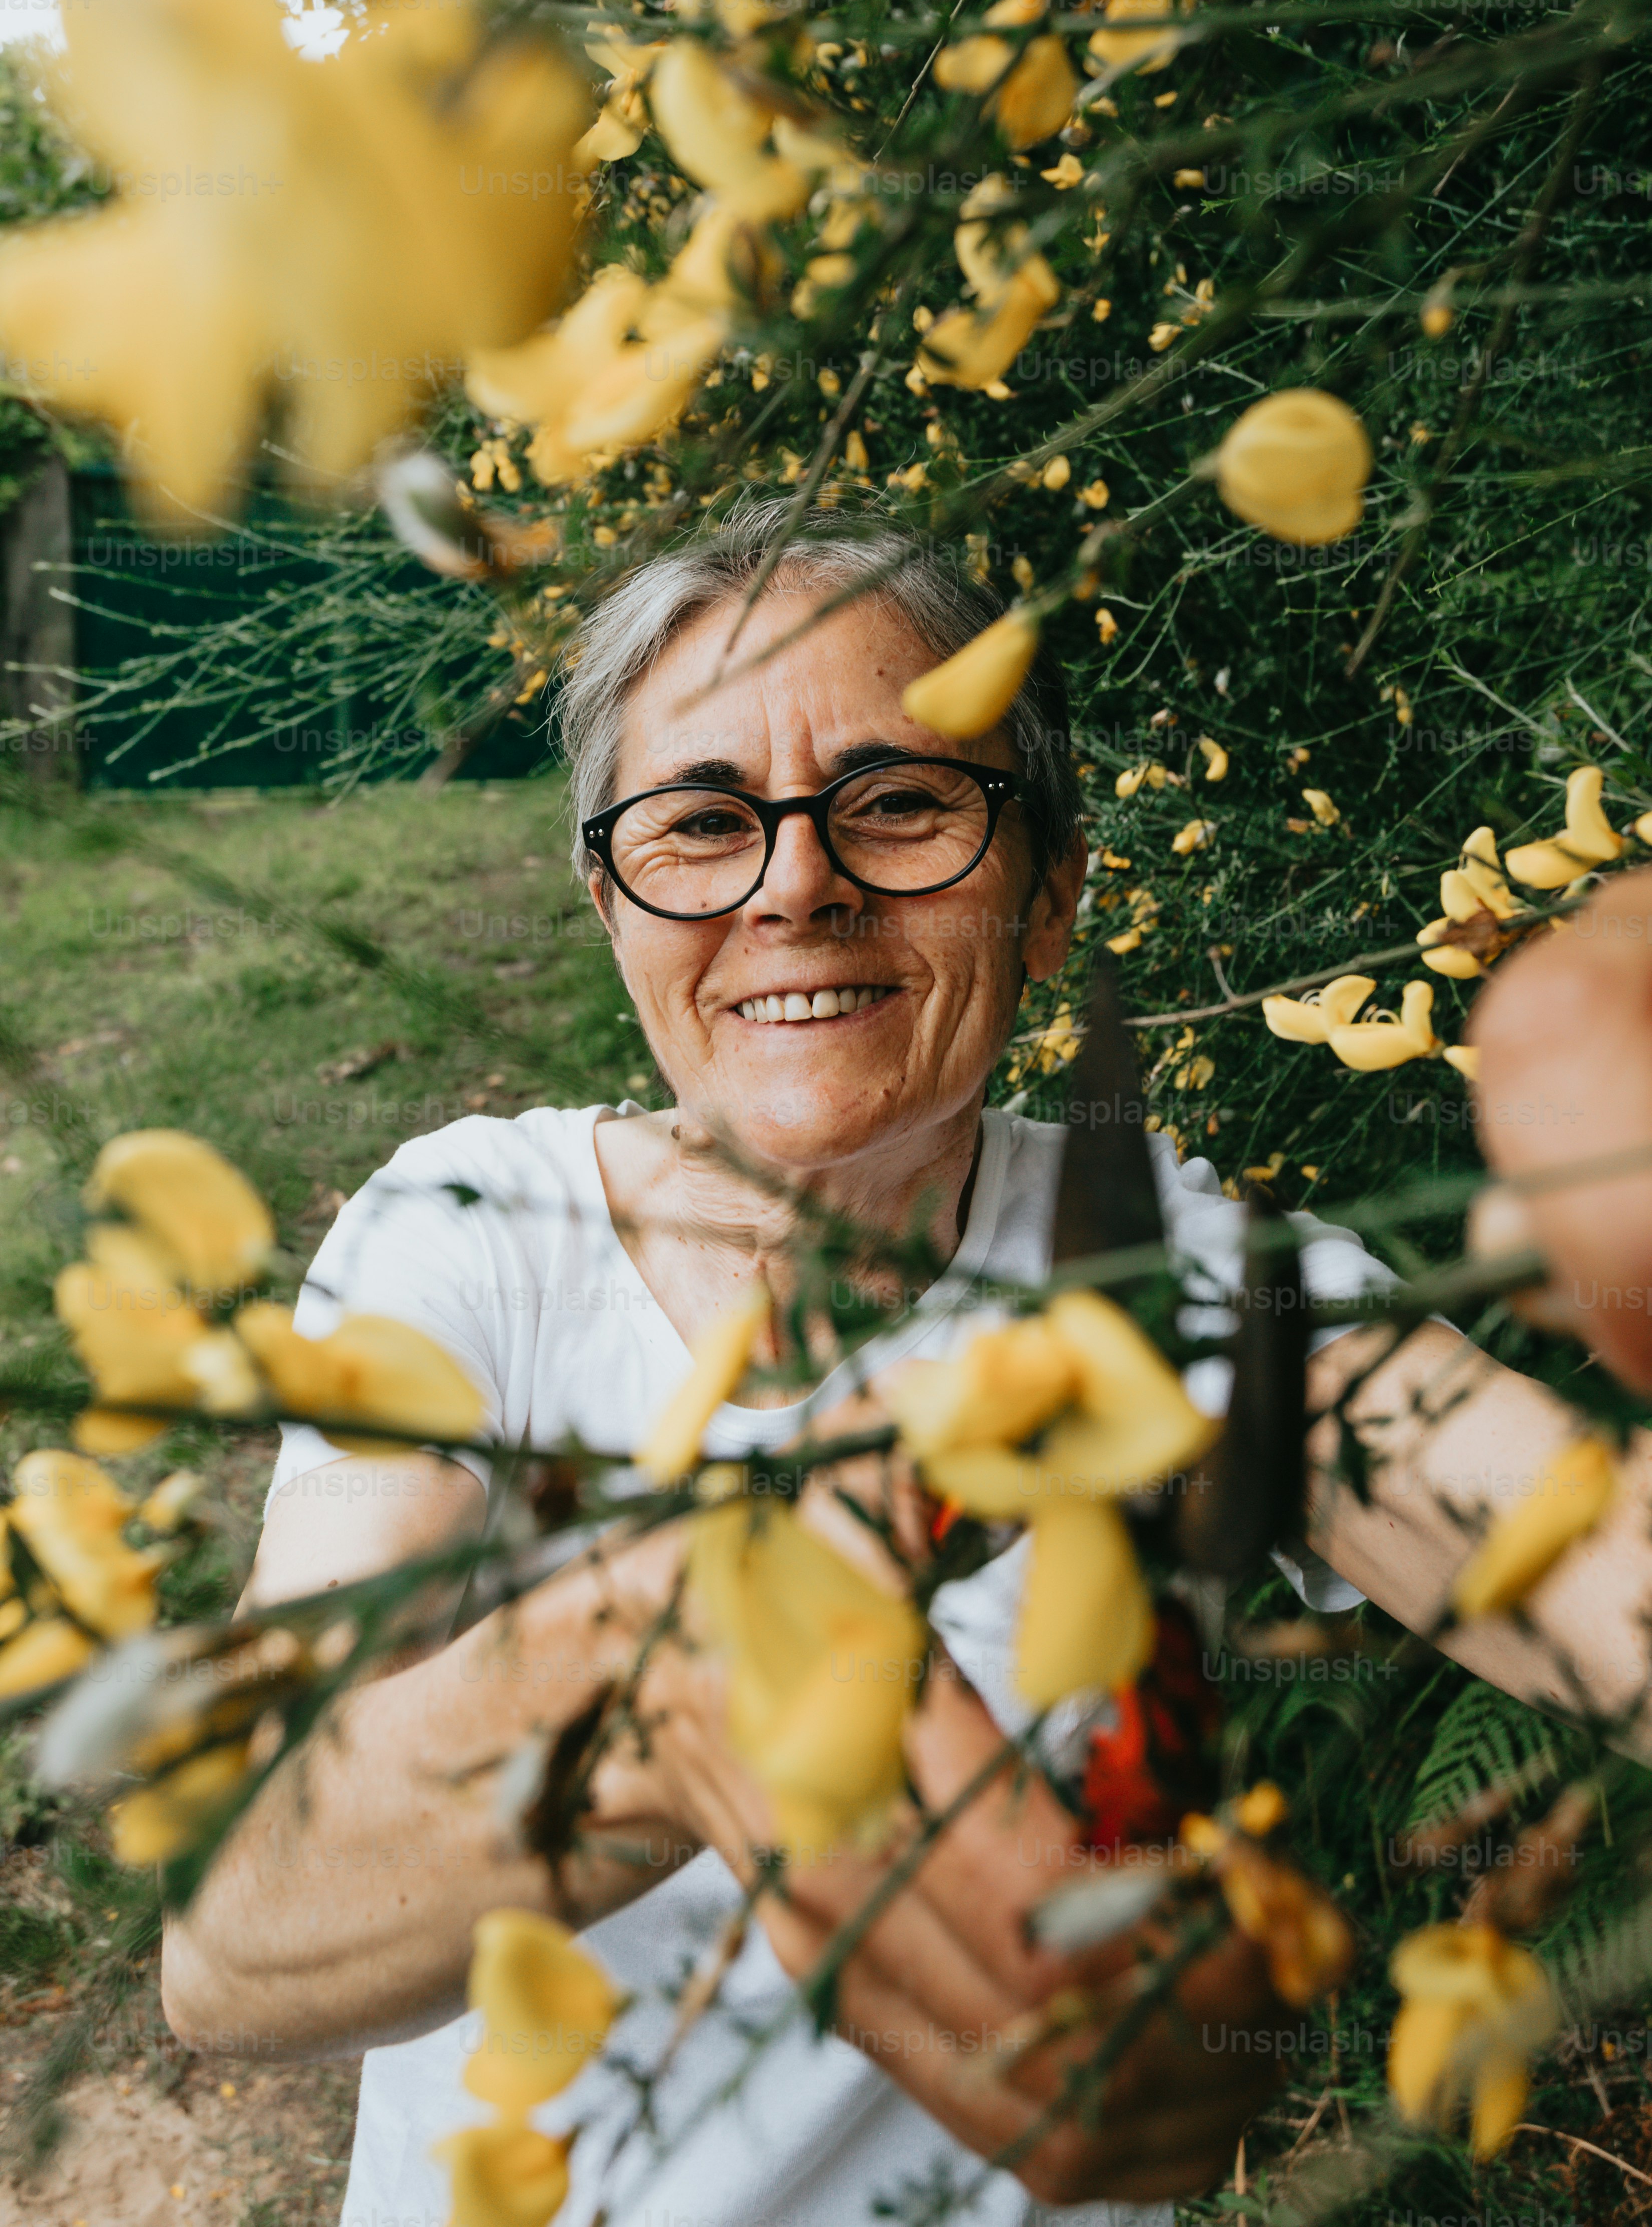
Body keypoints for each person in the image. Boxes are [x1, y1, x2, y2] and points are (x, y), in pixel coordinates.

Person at [159, 504, 1652, 2227]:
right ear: (612, 904)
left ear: (1050, 896)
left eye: (897, 803)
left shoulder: (1172, 1289)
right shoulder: (470, 1241)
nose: (797, 882)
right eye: (703, 823)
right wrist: (665, 1668)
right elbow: (232, 1939)